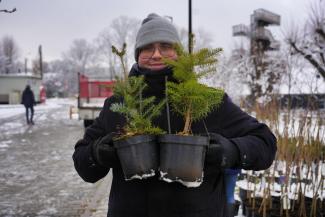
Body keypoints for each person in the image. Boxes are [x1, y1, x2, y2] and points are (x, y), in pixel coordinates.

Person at [72, 13, 277, 217]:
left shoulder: (208, 100)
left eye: (165, 46)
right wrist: (97, 154)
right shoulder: (118, 105)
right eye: (147, 48)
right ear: (137, 55)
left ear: (179, 53)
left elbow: (265, 142)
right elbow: (83, 164)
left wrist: (231, 151)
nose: (156, 54)